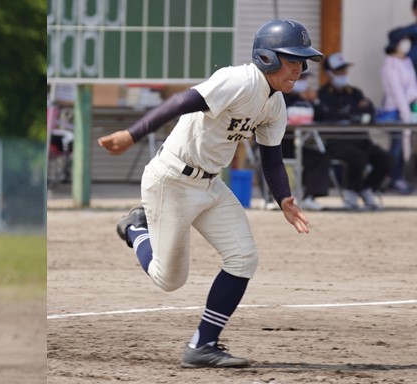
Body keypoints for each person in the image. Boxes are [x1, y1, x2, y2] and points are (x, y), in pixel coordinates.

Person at [99, 19, 317, 368]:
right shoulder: (239, 80)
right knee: (169, 280)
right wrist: (133, 133)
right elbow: (182, 101)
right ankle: (135, 228)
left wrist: (284, 198)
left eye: (302, 62)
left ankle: (202, 345)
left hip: (211, 185)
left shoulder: (275, 104)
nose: (299, 69)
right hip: (171, 180)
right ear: (267, 58)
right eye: (292, 59)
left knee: (244, 258)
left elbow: (272, 158)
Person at [315, 52, 392, 210]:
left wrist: (348, 113)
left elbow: (369, 112)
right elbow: (326, 115)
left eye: (345, 70)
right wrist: (354, 112)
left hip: (361, 139)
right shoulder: (322, 95)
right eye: (339, 71)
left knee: (386, 159)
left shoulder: (355, 93)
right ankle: (350, 191)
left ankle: (366, 188)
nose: (343, 74)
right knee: (358, 157)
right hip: (337, 142)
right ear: (329, 73)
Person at [277, 69, 332, 211]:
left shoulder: (306, 98)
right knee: (268, 160)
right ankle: (273, 197)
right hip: (278, 144)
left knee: (320, 158)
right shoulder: (279, 95)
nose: (303, 83)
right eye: (300, 79)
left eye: (304, 79)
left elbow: (323, 117)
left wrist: (315, 101)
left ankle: (309, 197)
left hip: (297, 144)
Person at [380, 28, 417, 194]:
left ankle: (399, 177)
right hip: (395, 111)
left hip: (408, 109)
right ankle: (392, 178)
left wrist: (410, 101)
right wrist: (404, 111)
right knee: (396, 147)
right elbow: (396, 92)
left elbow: (413, 87)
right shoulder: (389, 64)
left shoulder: (407, 61)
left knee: (404, 147)